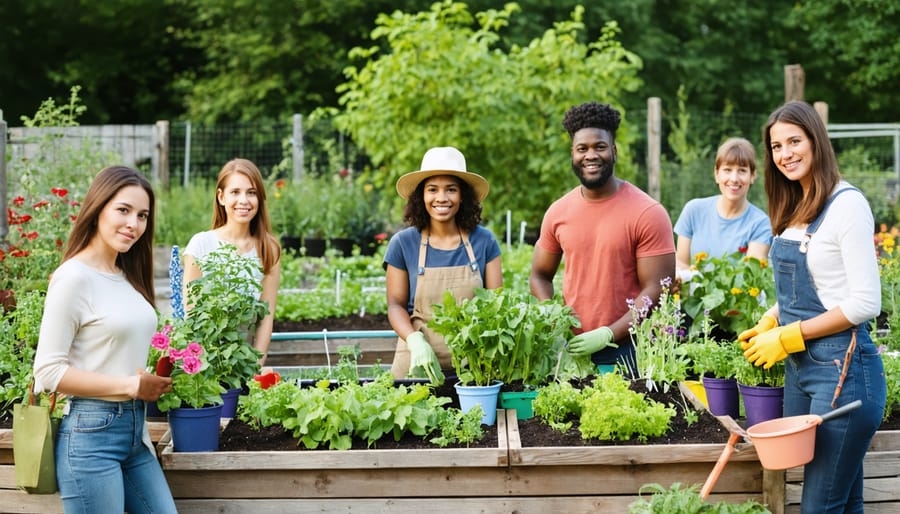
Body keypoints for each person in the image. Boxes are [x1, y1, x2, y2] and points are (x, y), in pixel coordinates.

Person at [740, 100, 885, 513]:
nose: (785, 154)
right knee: (844, 502)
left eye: (794, 141)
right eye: (775, 146)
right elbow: (819, 283)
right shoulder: (796, 206)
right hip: (802, 371)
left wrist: (789, 335)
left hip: (845, 374)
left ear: (816, 141)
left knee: (819, 506)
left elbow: (864, 301)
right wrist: (771, 318)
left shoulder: (847, 205)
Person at [32, 166, 177, 513]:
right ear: (98, 207)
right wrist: (131, 386)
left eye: (142, 216)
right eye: (123, 210)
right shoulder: (73, 277)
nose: (134, 224)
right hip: (90, 436)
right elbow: (47, 373)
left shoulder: (127, 277)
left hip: (135, 433)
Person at [529, 102, 675, 372]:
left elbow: (656, 288)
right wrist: (555, 322)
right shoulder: (558, 212)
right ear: (572, 154)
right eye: (582, 148)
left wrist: (608, 333)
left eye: (600, 147)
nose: (590, 155)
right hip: (570, 350)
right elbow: (539, 275)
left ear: (614, 151)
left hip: (629, 348)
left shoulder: (647, 212)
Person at [384, 146, 502, 382]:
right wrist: (414, 340)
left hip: (474, 366)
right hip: (416, 363)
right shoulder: (403, 243)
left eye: (451, 190)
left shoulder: (484, 241)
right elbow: (395, 304)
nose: (441, 198)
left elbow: (496, 304)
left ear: (463, 196)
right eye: (432, 190)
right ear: (421, 196)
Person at [183, 158, 282, 366]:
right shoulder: (201, 245)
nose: (244, 200)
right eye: (235, 192)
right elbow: (191, 312)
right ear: (221, 197)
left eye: (251, 193)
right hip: (206, 363)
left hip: (244, 362)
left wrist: (254, 368)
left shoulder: (269, 249)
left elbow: (266, 317)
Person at [674, 137, 772, 275]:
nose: (734, 178)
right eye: (727, 170)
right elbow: (682, 263)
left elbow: (750, 277)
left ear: (752, 176)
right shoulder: (693, 210)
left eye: (742, 170)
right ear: (716, 174)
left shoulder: (760, 224)